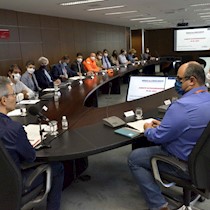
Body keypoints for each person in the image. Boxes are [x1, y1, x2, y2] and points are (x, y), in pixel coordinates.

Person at [128, 61, 210, 210]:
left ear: (192, 80)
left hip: (183, 164)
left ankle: (158, 205)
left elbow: (157, 137)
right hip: (204, 163)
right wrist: (166, 126)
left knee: (134, 158)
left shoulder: (181, 106)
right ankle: (191, 193)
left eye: (179, 80)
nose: (176, 83)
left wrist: (147, 128)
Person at [0, 76, 64, 210]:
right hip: (14, 184)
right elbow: (30, 157)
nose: (16, 96)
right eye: (13, 94)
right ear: (4, 100)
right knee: (58, 167)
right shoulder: (14, 129)